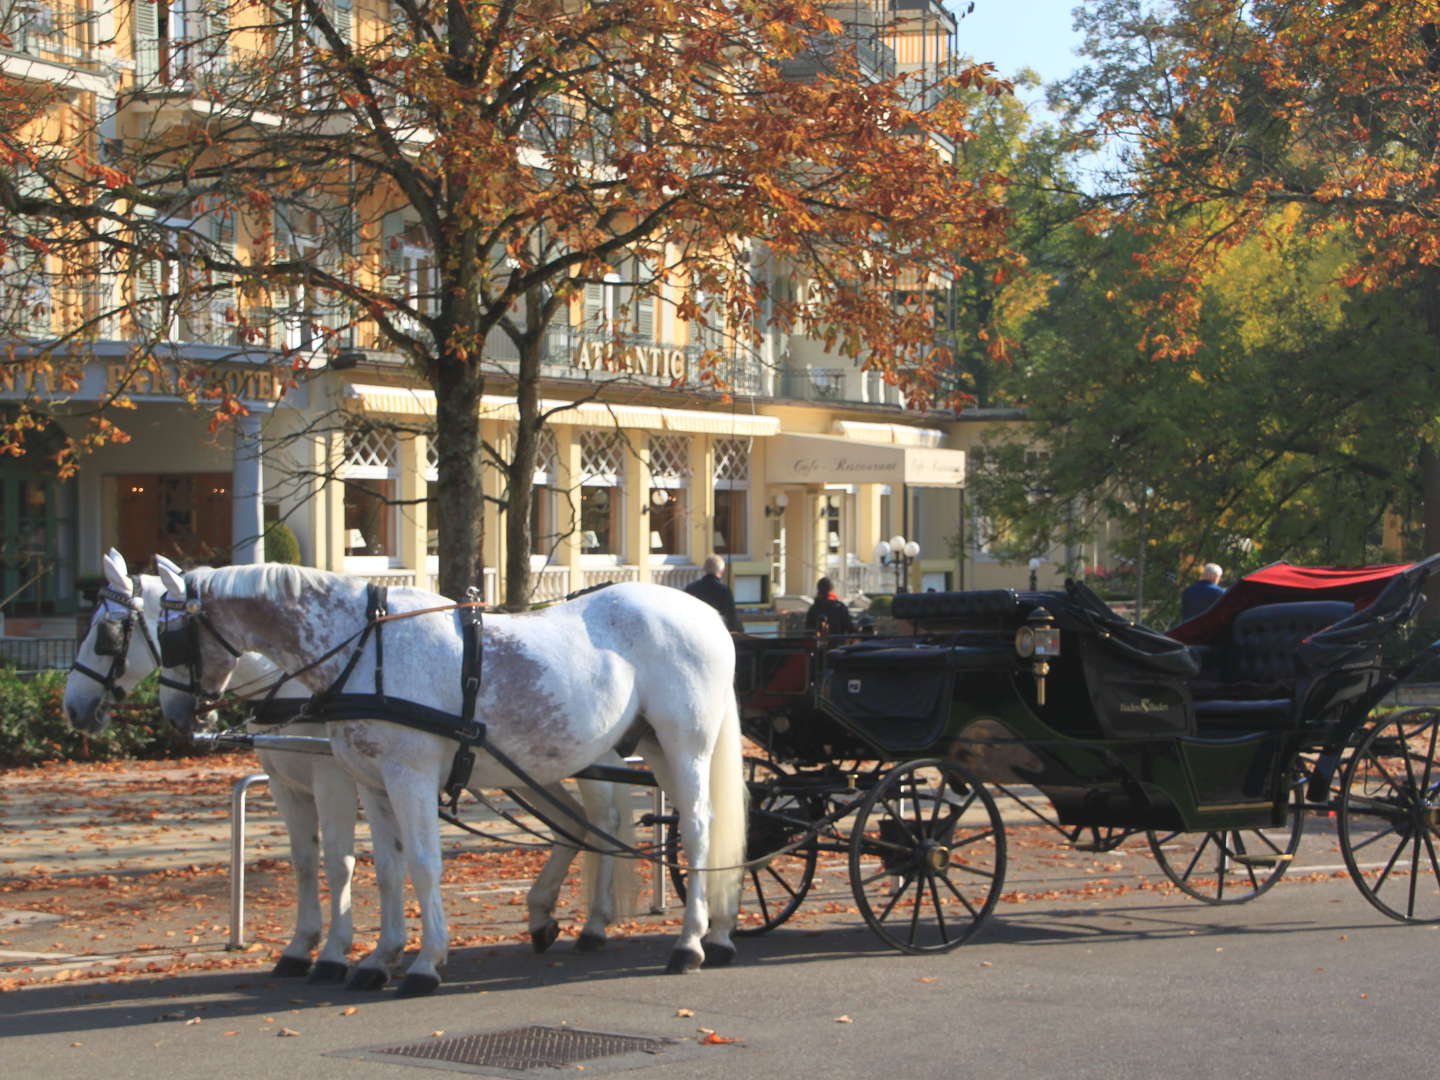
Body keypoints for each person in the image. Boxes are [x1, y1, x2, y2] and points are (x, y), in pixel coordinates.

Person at [684, 554, 743, 632]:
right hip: (716, 632)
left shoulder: (691, 588)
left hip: (694, 631)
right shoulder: (724, 591)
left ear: (704, 569)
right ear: (722, 571)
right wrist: (740, 630)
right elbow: (731, 617)